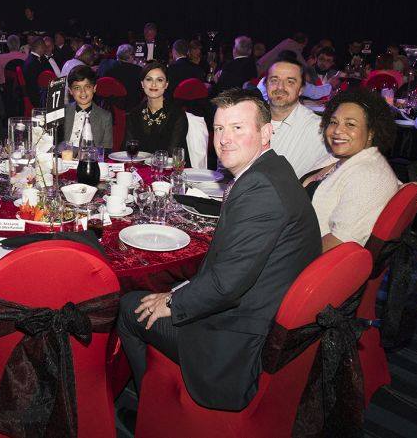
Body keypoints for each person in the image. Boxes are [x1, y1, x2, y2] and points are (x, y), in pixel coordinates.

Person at [117, 88, 321, 409]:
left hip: (236, 343)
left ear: (266, 132)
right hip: (259, 309)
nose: (225, 139)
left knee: (130, 307)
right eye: (220, 128)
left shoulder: (260, 189)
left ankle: (150, 409)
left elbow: (226, 285)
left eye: (238, 128)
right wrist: (180, 291)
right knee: (164, 289)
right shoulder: (272, 169)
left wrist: (172, 301)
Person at [302, 88, 400, 251]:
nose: (337, 131)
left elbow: (339, 242)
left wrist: (282, 257)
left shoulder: (369, 176)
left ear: (371, 132)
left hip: (302, 255)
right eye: (333, 122)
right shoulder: (338, 157)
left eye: (350, 124)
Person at [265, 58, 335, 178]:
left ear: (301, 90)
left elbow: (346, 159)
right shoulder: (250, 118)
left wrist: (308, 182)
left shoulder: (316, 128)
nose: (280, 87)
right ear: (266, 85)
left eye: (290, 82)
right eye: (274, 80)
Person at [124, 62, 188, 154]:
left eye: (159, 80)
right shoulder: (134, 114)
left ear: (166, 85)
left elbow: (173, 153)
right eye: (149, 79)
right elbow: (128, 149)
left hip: (168, 163)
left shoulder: (177, 115)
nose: (153, 84)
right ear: (142, 84)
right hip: (139, 163)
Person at [61, 65, 113, 149]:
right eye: (77, 88)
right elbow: (53, 143)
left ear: (94, 88)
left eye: (87, 87)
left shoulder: (105, 117)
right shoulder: (61, 112)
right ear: (70, 91)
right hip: (64, 156)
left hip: (91, 157)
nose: (83, 92)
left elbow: (106, 149)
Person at [97, 44, 143, 111]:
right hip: (130, 108)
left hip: (108, 107)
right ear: (131, 56)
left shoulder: (106, 66)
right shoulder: (138, 70)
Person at [22, 37, 48, 102]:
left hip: (32, 93)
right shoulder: (33, 63)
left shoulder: (30, 59)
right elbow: (37, 84)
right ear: (41, 47)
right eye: (45, 47)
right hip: (36, 97)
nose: (45, 49)